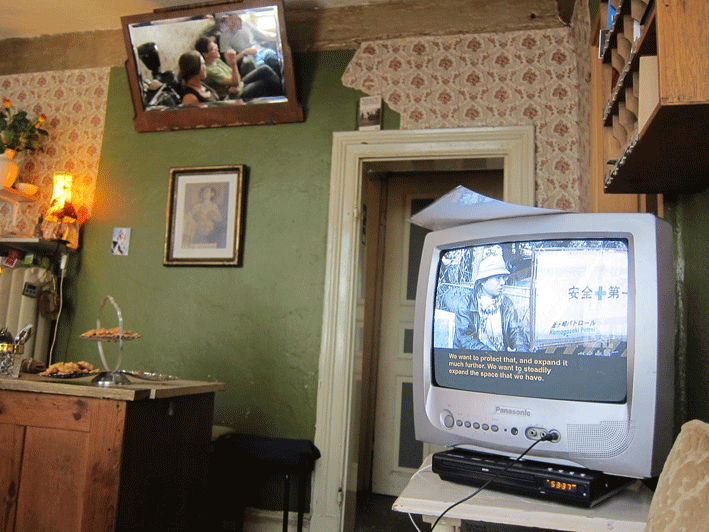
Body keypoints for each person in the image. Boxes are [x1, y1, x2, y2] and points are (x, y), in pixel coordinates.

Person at [451, 254, 530, 352]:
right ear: (483, 281)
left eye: (503, 278)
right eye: (498, 278)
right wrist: (494, 357)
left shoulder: (506, 303)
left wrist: (521, 353)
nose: (502, 282)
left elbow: (517, 333)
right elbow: (467, 340)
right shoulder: (466, 304)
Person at [194, 37, 282, 100]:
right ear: (205, 55)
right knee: (265, 82)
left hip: (239, 85)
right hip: (235, 95)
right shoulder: (210, 70)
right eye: (213, 49)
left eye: (215, 46)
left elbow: (235, 77)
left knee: (264, 69)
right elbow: (235, 80)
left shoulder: (217, 60)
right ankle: (283, 96)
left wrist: (234, 81)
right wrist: (233, 64)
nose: (217, 49)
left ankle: (283, 91)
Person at [217, 13, 282, 79]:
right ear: (229, 20)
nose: (240, 21)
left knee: (273, 59)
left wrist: (281, 37)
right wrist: (244, 52)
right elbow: (229, 62)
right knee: (263, 67)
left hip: (261, 50)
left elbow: (265, 35)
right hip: (249, 57)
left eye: (239, 18)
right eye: (236, 19)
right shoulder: (224, 36)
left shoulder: (246, 25)